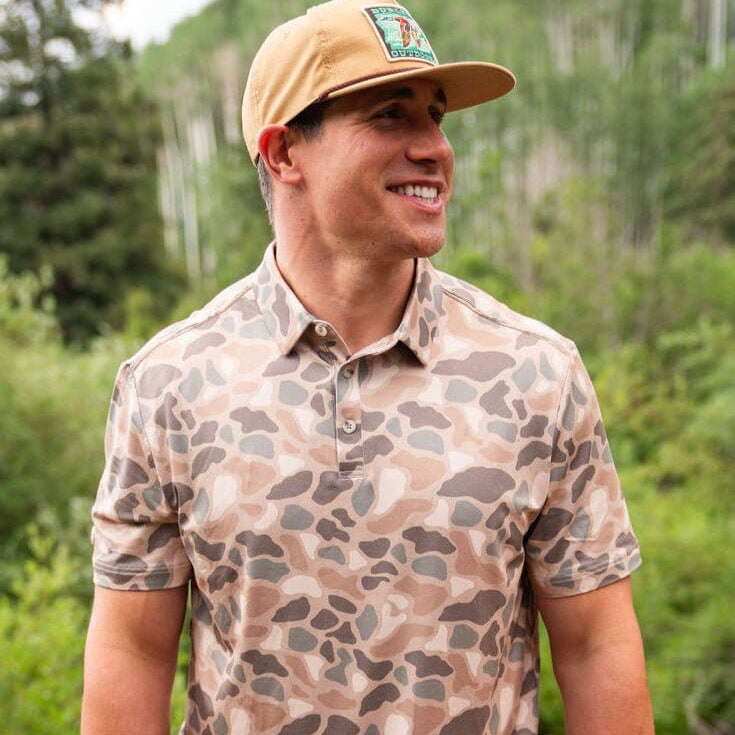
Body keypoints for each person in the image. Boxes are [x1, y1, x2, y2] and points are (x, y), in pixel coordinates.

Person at [82, 1, 655, 734]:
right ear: (284, 153)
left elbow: (595, 644)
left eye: (435, 117)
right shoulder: (168, 385)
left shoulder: (535, 374)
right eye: (391, 116)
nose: (435, 147)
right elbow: (132, 651)